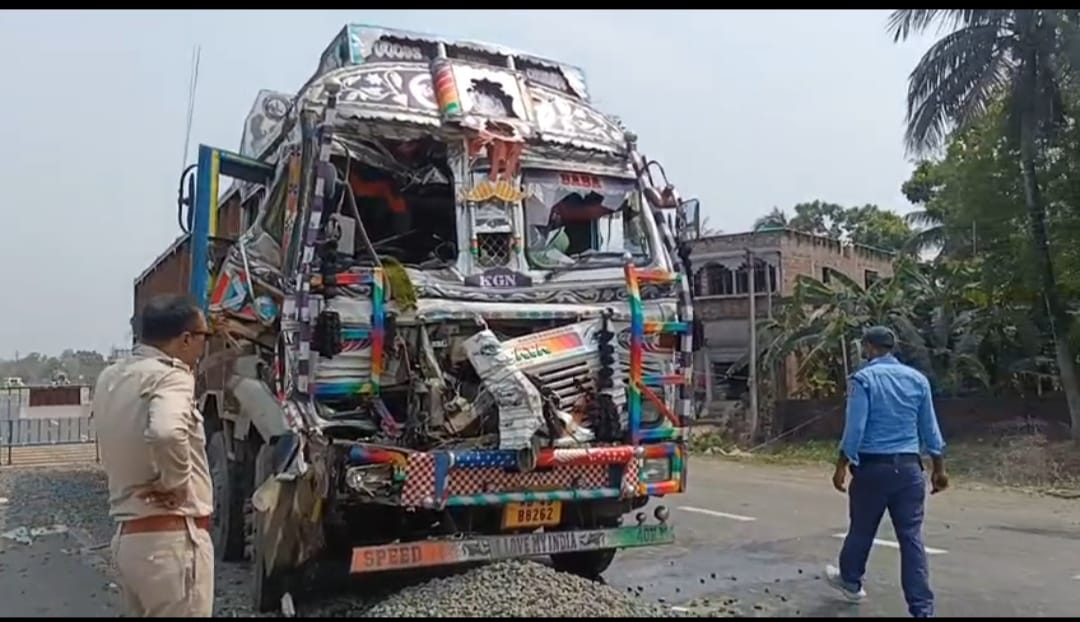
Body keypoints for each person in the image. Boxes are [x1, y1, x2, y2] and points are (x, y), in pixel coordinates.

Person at [93, 294, 214, 617]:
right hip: (171, 545)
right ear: (186, 339)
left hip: (129, 540)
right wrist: (176, 484)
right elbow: (166, 431)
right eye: (205, 337)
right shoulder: (173, 376)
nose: (204, 347)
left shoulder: (111, 378)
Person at [826, 326, 948, 618]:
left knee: (862, 528)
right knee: (911, 538)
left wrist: (842, 464)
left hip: (872, 469)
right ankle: (922, 609)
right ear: (892, 347)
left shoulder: (863, 379)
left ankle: (851, 581)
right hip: (909, 470)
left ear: (868, 347)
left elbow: (855, 427)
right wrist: (939, 469)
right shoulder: (918, 380)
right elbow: (930, 429)